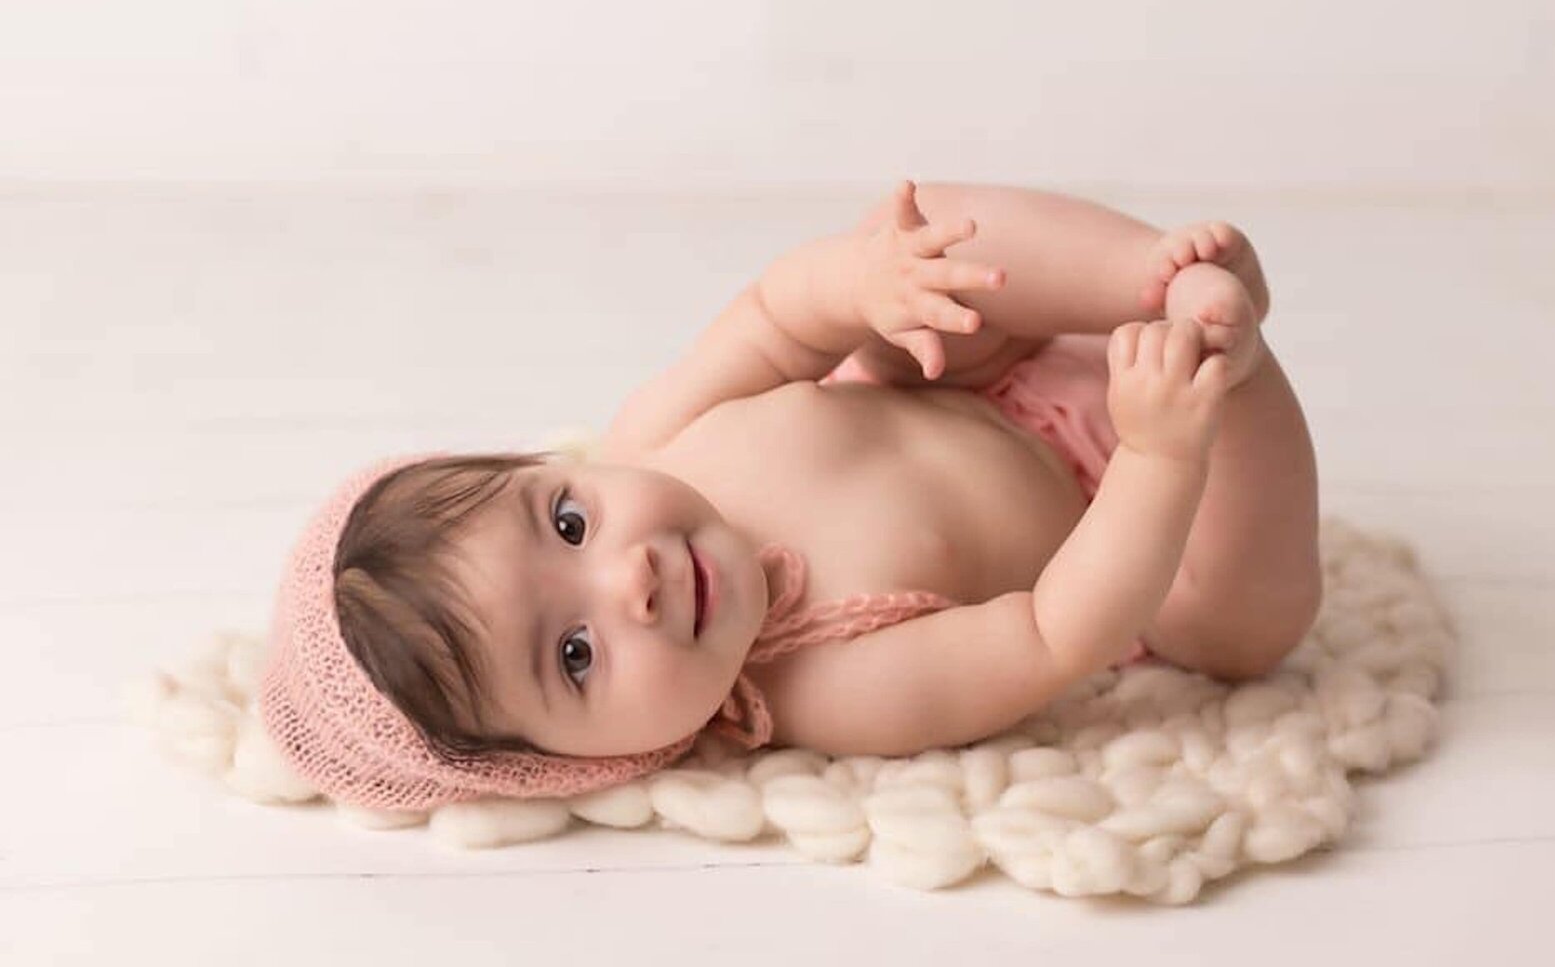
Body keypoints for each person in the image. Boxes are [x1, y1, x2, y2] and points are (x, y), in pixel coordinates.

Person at [259, 181, 1322, 812]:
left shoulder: (661, 431)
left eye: (570, 523)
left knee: (918, 239)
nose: (627, 577)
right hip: (1128, 511)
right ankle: (1233, 358)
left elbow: (779, 316)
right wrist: (1157, 454)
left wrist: (864, 287)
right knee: (1233, 623)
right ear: (596, 760)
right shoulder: (824, 680)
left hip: (986, 369)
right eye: (574, 654)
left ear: (554, 470)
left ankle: (1146, 275)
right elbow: (1058, 630)